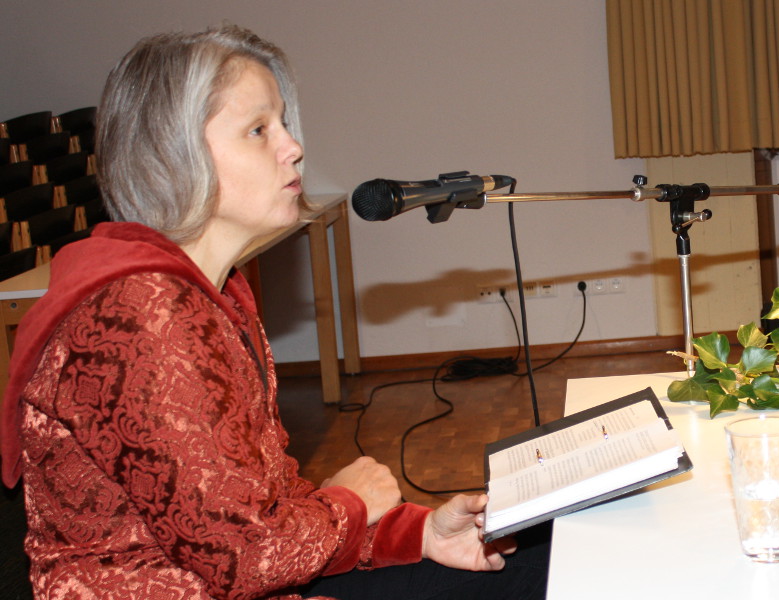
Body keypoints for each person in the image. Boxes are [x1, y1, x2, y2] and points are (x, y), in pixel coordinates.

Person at [0, 24, 549, 599]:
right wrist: (352, 502)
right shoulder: (139, 314)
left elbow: (262, 509)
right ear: (170, 153)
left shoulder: (212, 292)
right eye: (259, 129)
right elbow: (247, 558)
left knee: (538, 555)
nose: (292, 147)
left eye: (283, 124)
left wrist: (417, 534)